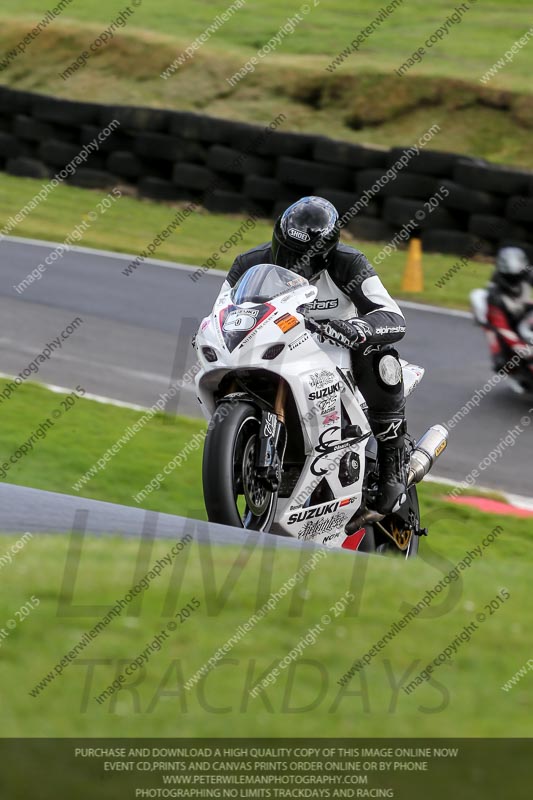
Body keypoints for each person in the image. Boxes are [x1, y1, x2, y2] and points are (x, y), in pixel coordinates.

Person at [223, 195, 408, 515]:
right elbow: (222, 312)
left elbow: (392, 316)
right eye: (287, 252)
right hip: (276, 348)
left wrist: (357, 328)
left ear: (325, 255)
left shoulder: (349, 263)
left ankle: (393, 461)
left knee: (382, 357)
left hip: (336, 353)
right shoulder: (249, 263)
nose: (293, 263)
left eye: (303, 257)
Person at [487, 246, 533, 348]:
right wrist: (519, 346)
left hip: (522, 307)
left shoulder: (528, 273)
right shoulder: (495, 286)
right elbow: (498, 321)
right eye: (511, 277)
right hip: (504, 313)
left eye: (518, 275)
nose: (515, 279)